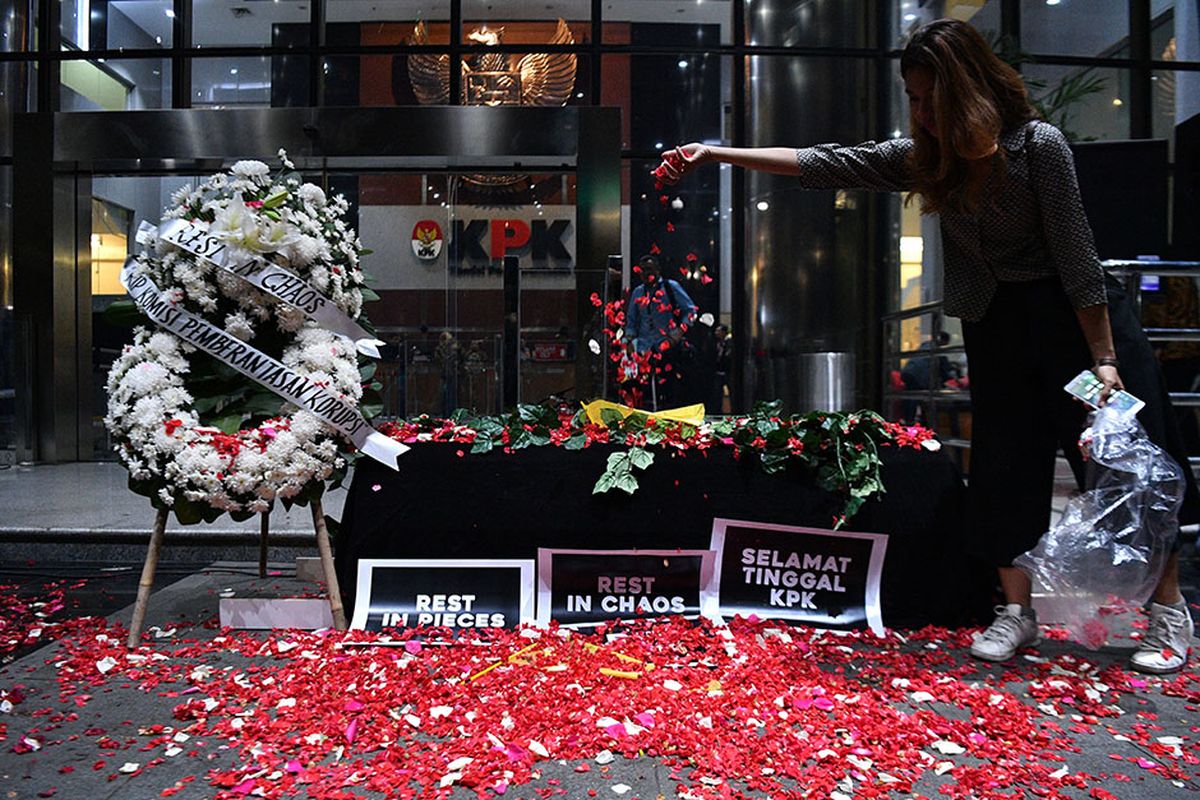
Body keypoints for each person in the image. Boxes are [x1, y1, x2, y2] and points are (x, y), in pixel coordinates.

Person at [656, 18, 1198, 673]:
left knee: (1123, 469)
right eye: (912, 99)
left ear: (966, 89)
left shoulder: (1038, 147)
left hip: (1078, 323)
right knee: (1003, 469)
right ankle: (1016, 612)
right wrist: (716, 155)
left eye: (929, 98)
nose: (920, 113)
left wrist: (1105, 360)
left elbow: (1078, 258)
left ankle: (1168, 611)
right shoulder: (931, 160)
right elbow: (827, 162)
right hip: (998, 324)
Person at [623, 254, 699, 409]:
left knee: (669, 390)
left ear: (658, 270)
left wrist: (679, 332)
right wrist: (629, 341)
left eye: (649, 269)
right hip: (644, 350)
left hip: (667, 347)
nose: (646, 273)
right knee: (644, 393)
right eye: (643, 270)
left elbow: (691, 311)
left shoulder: (670, 287)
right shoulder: (638, 292)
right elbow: (631, 320)